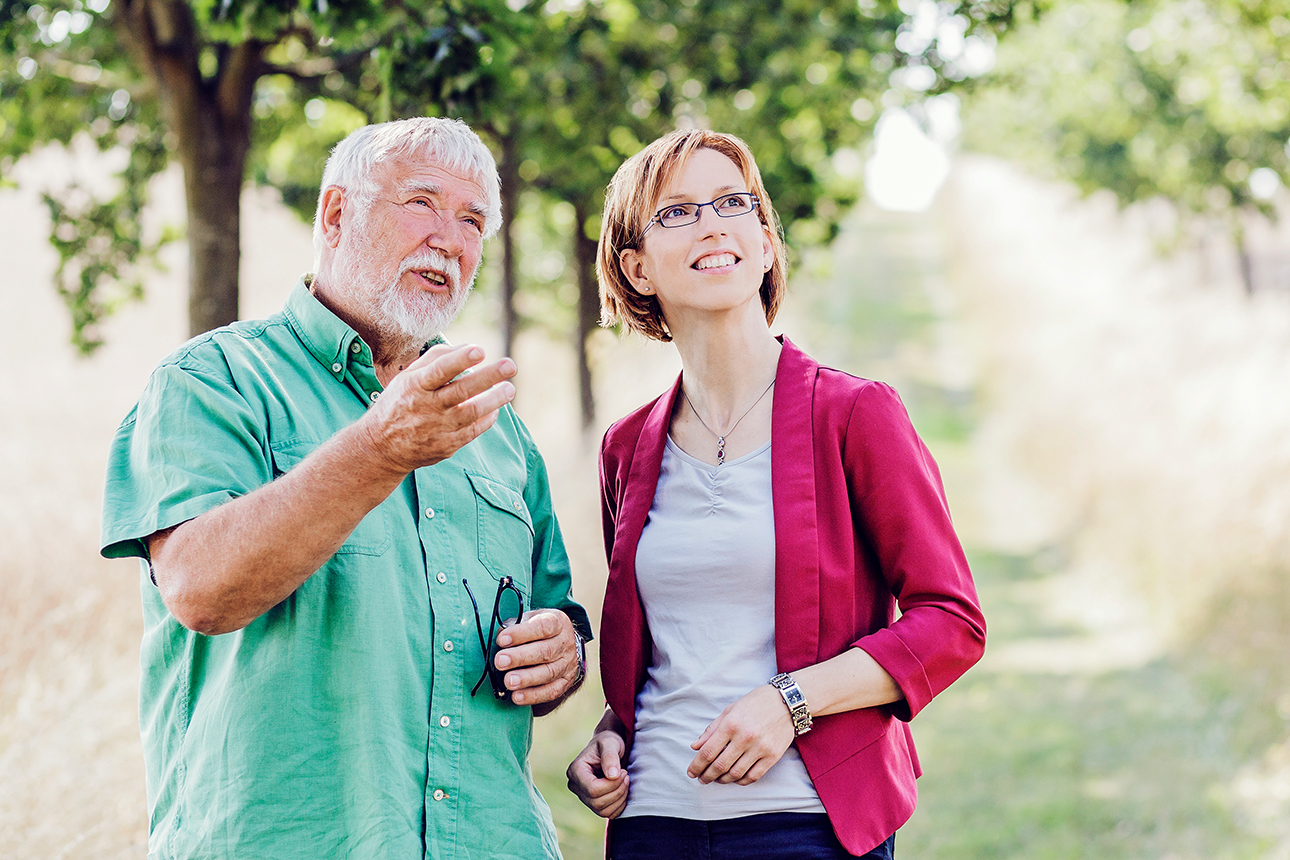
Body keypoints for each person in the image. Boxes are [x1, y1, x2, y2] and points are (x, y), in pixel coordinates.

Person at [100, 117, 592, 860]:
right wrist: (378, 450)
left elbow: (555, 625)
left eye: (473, 222)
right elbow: (202, 590)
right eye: (423, 203)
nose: (451, 240)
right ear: (336, 214)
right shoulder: (212, 384)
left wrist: (564, 655)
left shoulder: (497, 427)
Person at [565, 129, 986, 859]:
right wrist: (608, 736)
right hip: (651, 825)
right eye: (679, 211)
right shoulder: (626, 448)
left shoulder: (856, 415)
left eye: (734, 202)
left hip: (806, 824)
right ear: (635, 268)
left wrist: (789, 703)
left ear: (764, 242)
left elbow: (950, 621)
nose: (713, 223)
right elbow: (672, 650)